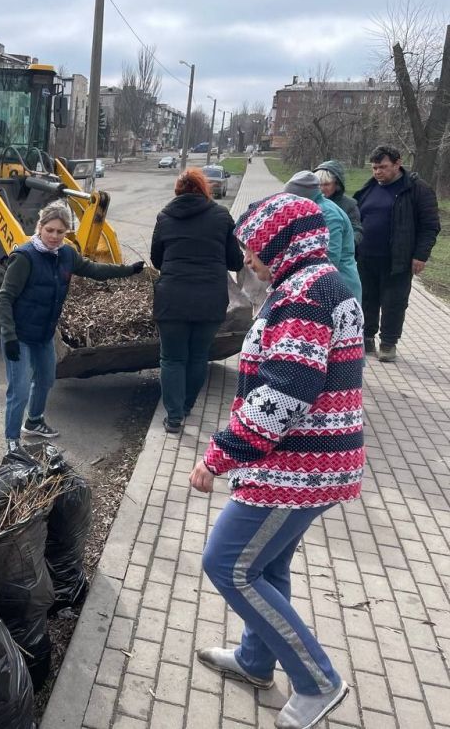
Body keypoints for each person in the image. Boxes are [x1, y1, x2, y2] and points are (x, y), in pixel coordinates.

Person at [189, 193, 363, 729]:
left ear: (283, 244)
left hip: (298, 468)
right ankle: (255, 660)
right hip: (307, 463)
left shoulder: (306, 294)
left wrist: (218, 457)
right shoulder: (312, 284)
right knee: (266, 566)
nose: (248, 260)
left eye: (253, 250)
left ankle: (317, 681)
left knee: (226, 563)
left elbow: (285, 393)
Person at [0, 199, 145, 453]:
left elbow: (93, 269)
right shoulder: (24, 257)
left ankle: (34, 421)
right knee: (19, 389)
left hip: (43, 334)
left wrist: (127, 270)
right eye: (49, 230)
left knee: (46, 379)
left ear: (66, 233)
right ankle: (12, 440)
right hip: (19, 336)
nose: (54, 236)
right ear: (40, 227)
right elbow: (4, 298)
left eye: (60, 232)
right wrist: (9, 336)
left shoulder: (66, 255)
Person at [150, 167, 243, 434]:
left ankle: (174, 416)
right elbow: (235, 261)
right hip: (210, 299)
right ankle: (187, 406)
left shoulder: (165, 216)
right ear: (205, 189)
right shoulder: (221, 216)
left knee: (171, 358)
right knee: (198, 356)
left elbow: (157, 259)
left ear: (177, 191)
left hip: (172, 299)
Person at [353, 145, 441, 361]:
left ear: (398, 163)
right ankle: (366, 338)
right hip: (366, 257)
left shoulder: (417, 189)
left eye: (382, 167)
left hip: (398, 259)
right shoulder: (369, 188)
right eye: (374, 168)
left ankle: (388, 343)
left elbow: (430, 225)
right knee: (367, 300)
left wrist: (421, 255)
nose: (377, 172)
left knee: (394, 302)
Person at [284, 170, 362, 303]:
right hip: (330, 283)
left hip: (340, 285)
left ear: (302, 196)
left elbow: (331, 256)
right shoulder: (315, 208)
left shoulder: (327, 214)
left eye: (292, 198)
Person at [313, 160, 363, 248]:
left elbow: (357, 231)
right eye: (319, 185)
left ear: (337, 184)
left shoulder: (349, 205)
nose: (322, 188)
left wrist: (342, 243)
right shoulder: (309, 202)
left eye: (327, 184)